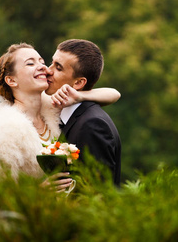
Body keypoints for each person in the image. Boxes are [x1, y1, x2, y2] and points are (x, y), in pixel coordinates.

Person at [0, 43, 120, 197]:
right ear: (12, 81)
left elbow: (114, 94)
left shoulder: (52, 106)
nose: (44, 68)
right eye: (30, 63)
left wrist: (80, 96)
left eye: (41, 61)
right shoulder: (2, 129)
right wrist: (38, 192)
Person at [45, 39, 122, 186]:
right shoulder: (63, 113)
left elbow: (96, 192)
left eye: (58, 68)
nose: (48, 70)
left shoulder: (92, 125)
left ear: (79, 83)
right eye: (52, 62)